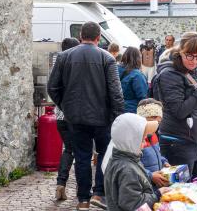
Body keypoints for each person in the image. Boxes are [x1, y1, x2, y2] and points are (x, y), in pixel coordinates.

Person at [48, 21, 124, 211]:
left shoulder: (64, 56)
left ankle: (83, 200)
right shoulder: (107, 58)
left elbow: (52, 87)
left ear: (81, 35)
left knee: (82, 157)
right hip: (102, 118)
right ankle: (98, 192)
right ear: (99, 38)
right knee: (103, 155)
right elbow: (116, 92)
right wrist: (116, 116)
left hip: (76, 118)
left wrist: (66, 107)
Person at [153, 32, 197, 177]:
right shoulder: (169, 74)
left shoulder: (196, 69)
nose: (194, 61)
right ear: (180, 52)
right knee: (180, 192)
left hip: (196, 139)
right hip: (177, 141)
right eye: (189, 56)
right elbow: (179, 110)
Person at [102, 113, 166, 211]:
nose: (144, 143)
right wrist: (158, 194)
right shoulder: (127, 168)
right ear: (130, 140)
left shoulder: (122, 158)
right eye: (142, 139)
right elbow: (134, 204)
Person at [55, 37, 80, 202]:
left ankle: (60, 184)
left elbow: (52, 88)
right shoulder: (76, 66)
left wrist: (60, 104)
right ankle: (81, 188)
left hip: (60, 115)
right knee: (81, 152)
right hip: (75, 114)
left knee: (68, 150)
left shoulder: (57, 64)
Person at [136, 99, 170, 193]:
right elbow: (132, 166)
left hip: (155, 185)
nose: (155, 126)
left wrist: (164, 162)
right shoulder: (136, 139)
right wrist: (150, 175)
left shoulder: (153, 135)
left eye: (158, 123)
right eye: (152, 121)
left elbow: (157, 153)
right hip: (142, 186)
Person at [118, 47, 149, 114]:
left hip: (116, 107)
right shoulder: (137, 75)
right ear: (138, 58)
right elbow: (143, 97)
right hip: (131, 110)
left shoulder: (115, 69)